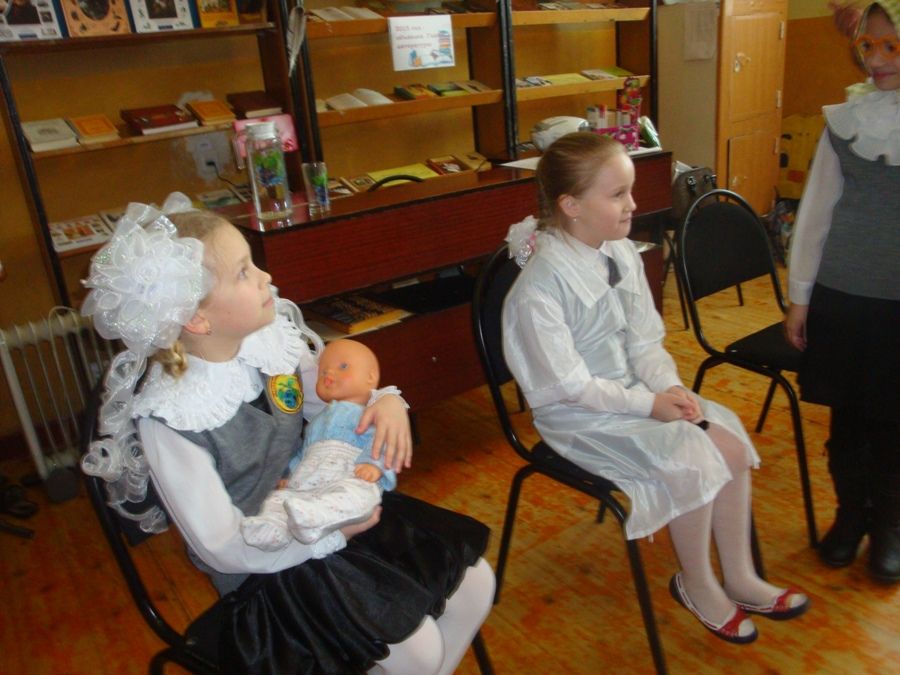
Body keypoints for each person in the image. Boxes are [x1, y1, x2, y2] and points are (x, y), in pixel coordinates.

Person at [80, 194, 494, 674]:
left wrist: (385, 401)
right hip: (266, 566)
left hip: (326, 501)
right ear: (197, 319)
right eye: (244, 272)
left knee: (476, 584)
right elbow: (221, 546)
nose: (265, 277)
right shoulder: (169, 419)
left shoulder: (267, 343)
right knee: (416, 648)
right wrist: (324, 537)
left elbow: (334, 397)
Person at [502, 132, 809, 645]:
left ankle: (739, 576)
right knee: (691, 455)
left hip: (633, 392)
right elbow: (572, 387)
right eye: (618, 194)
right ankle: (697, 583)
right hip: (579, 415)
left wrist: (670, 388)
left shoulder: (621, 253)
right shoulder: (539, 290)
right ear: (572, 206)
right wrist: (651, 405)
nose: (633, 204)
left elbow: (645, 341)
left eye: (630, 190)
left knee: (730, 442)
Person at [784, 1, 900, 583]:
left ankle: (890, 527)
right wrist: (800, 297)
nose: (877, 59)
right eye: (867, 47)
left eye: (891, 46)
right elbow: (815, 214)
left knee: (893, 423)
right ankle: (850, 516)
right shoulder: (844, 121)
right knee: (848, 419)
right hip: (843, 296)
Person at [241, 338, 397, 550]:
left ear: (370, 377)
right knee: (280, 498)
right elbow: (305, 452)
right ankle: (272, 528)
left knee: (359, 497)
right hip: (309, 476)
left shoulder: (372, 413)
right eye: (323, 371)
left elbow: (384, 440)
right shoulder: (317, 421)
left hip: (350, 472)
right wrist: (290, 475)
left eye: (343, 366)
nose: (329, 373)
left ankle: (316, 517)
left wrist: (374, 465)